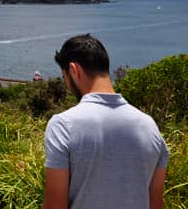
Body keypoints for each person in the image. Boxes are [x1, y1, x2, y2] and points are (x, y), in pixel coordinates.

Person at [43, 34, 169, 209]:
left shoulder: (63, 125)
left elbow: (54, 206)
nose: (66, 84)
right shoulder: (150, 126)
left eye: (65, 77)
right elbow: (156, 204)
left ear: (73, 70)